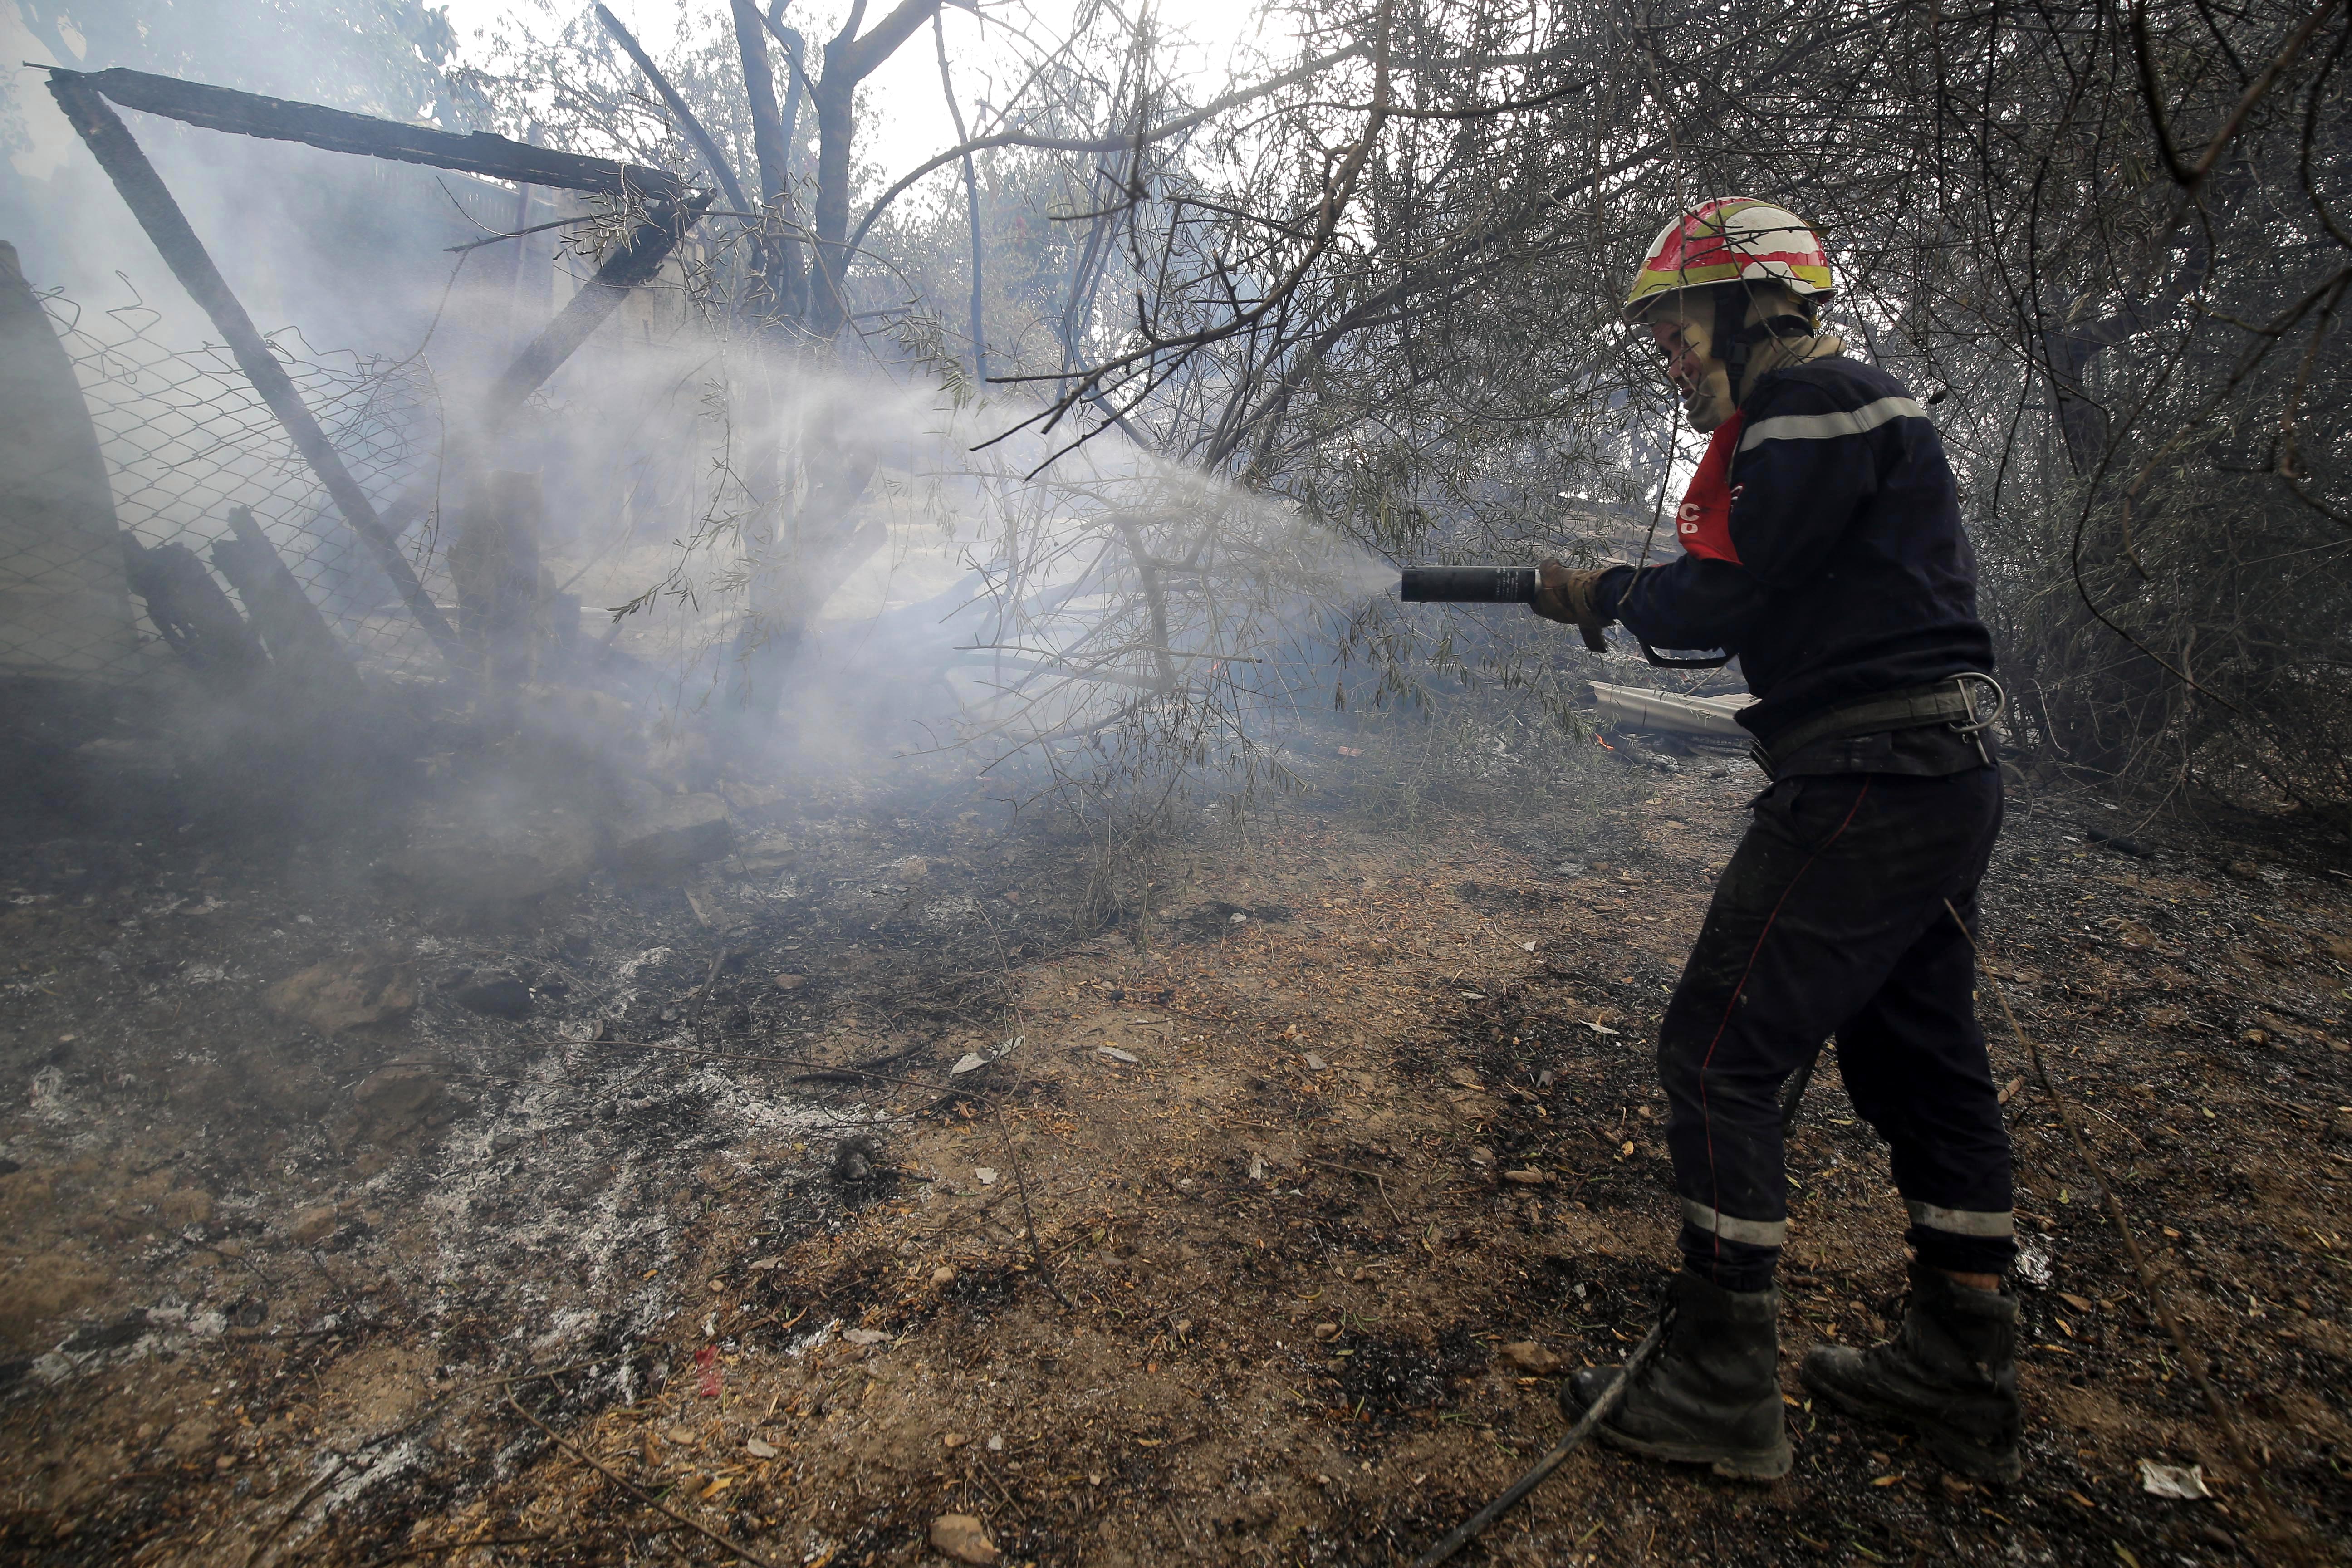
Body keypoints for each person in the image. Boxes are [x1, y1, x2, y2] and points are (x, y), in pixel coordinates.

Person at [1531, 198, 2023, 1484]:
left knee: (1715, 1052)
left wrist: (1602, 593)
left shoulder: (1805, 406)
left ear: (1752, 303)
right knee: (1916, 1055)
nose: (1670, 359)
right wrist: (1623, 595)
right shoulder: (1861, 405)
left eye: (1678, 329)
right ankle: (1962, 1363)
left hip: (1870, 776)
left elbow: (1724, 596)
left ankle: (1719, 1383)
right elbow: (1768, 585)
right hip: (1939, 770)